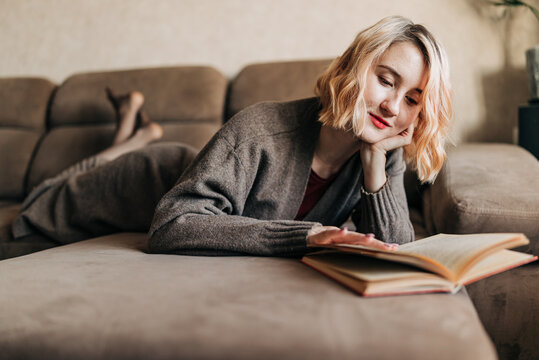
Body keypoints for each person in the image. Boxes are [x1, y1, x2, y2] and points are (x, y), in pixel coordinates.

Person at [12, 16, 451, 257]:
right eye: (386, 80)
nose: (394, 108)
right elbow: (171, 226)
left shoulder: (379, 147)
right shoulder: (260, 129)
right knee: (43, 197)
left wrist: (376, 171)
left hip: (188, 167)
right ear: (353, 67)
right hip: (142, 181)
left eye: (413, 99)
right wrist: (306, 235)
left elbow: (395, 252)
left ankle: (133, 130)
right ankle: (133, 141)